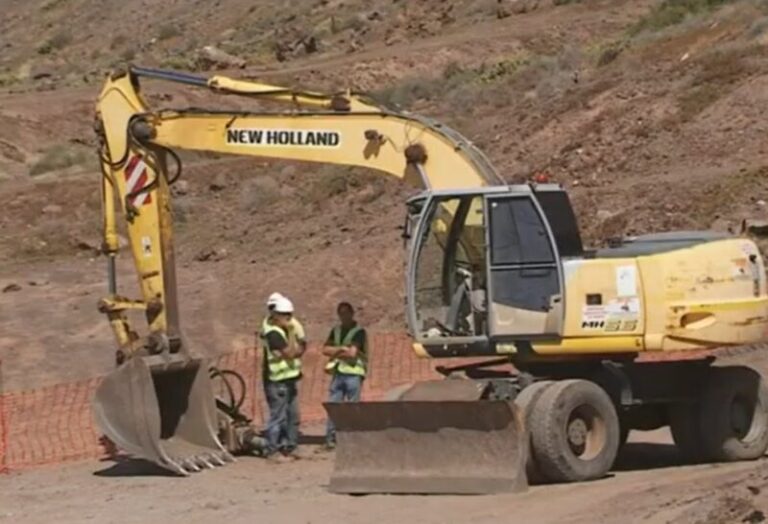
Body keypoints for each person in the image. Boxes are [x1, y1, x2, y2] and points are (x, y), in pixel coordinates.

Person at [260, 296, 304, 461]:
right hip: (277, 381)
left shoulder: (286, 328)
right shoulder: (273, 333)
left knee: (294, 415)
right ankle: (273, 450)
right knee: (278, 417)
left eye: (290, 315)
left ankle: (290, 446)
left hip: (290, 379)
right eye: (285, 315)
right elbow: (291, 353)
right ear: (276, 315)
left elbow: (302, 345)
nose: (289, 318)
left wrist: (298, 348)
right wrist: (297, 347)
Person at [321, 301, 368, 450]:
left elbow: (352, 353)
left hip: (354, 373)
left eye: (346, 313)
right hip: (339, 372)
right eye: (341, 313)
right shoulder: (335, 331)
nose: (343, 316)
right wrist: (341, 349)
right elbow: (324, 349)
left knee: (352, 408)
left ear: (352, 313)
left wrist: (336, 351)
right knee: (334, 407)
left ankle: (351, 439)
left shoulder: (359, 332)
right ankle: (331, 439)